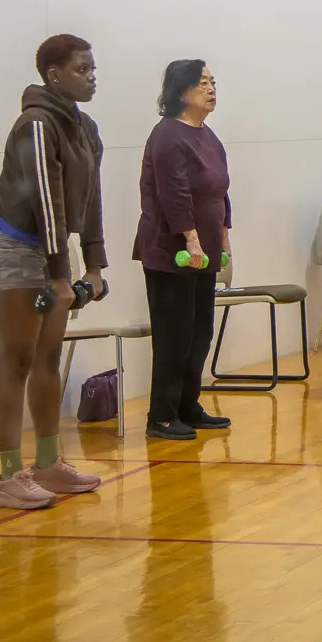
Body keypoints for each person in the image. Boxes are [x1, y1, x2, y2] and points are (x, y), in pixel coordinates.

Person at [0, 35, 109, 510]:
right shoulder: (35, 124)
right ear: (54, 75)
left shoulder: (86, 128)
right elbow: (47, 201)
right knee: (16, 359)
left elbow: (90, 200)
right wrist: (59, 274)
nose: (92, 76)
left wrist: (94, 264)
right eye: (82, 69)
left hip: (54, 252)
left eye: (93, 68)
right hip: (14, 246)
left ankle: (49, 462)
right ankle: (8, 475)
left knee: (48, 359)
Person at [133, 60, 235, 441]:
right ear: (180, 92)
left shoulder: (208, 136)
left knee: (199, 332)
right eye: (202, 83)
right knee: (174, 334)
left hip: (205, 252)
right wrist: (190, 239)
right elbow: (173, 193)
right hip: (170, 251)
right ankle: (161, 414)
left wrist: (223, 234)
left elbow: (221, 189)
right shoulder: (167, 136)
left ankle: (188, 405)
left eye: (213, 82)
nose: (211, 89)